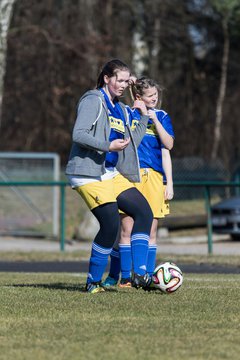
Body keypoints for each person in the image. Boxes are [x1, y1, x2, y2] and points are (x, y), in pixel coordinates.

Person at [66, 60, 154, 293]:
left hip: (109, 173)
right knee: (111, 224)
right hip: (87, 173)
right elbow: (78, 134)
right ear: (106, 78)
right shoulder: (93, 100)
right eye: (120, 80)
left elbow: (131, 142)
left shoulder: (120, 108)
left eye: (127, 81)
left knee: (144, 211)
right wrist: (107, 145)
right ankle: (92, 282)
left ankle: (141, 274)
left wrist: (143, 116)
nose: (124, 85)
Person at [103, 77, 174, 288]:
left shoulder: (162, 116)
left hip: (154, 178)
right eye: (150, 95)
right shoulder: (127, 113)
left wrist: (169, 183)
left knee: (151, 230)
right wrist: (129, 80)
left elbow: (168, 146)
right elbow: (112, 96)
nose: (155, 98)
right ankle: (125, 277)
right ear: (138, 97)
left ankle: (146, 278)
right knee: (126, 229)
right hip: (129, 176)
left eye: (156, 95)